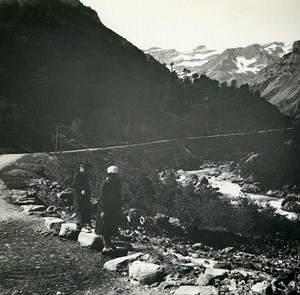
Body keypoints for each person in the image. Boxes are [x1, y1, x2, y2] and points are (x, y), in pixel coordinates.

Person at [95, 165, 122, 253]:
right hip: (105, 208)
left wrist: (119, 207)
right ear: (109, 175)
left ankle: (110, 243)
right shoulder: (105, 184)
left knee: (112, 226)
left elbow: (118, 196)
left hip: (113, 208)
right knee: (105, 226)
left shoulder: (117, 183)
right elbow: (103, 198)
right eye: (112, 175)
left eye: (115, 175)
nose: (114, 177)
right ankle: (106, 245)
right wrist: (103, 210)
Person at [73, 162, 92, 230]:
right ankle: (80, 224)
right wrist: (80, 191)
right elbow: (75, 185)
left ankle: (87, 223)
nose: (84, 169)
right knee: (79, 209)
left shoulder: (86, 175)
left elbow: (87, 185)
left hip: (86, 194)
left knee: (86, 208)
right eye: (83, 167)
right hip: (78, 195)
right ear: (81, 168)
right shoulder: (77, 175)